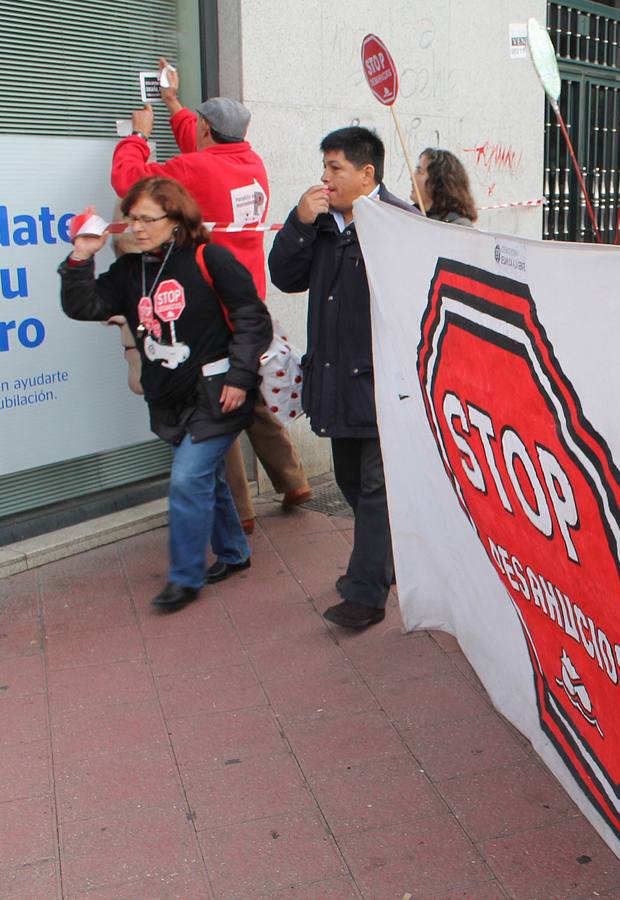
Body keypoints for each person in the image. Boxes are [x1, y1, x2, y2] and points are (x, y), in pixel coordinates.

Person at [110, 60, 311, 532]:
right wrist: (175, 104)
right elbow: (199, 151)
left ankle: (239, 513)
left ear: (205, 129)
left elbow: (130, 185)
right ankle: (292, 479)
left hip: (210, 308)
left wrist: (137, 137)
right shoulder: (250, 162)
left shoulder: (196, 168)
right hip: (249, 302)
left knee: (213, 407)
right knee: (254, 395)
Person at [60, 177, 271, 609]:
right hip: (169, 397)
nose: (136, 227)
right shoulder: (130, 270)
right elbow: (85, 306)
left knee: (187, 478)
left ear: (176, 220)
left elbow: (253, 317)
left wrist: (240, 376)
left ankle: (184, 578)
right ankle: (234, 553)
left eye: (147, 219)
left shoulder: (209, 257)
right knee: (205, 479)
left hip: (217, 393)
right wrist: (81, 256)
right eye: (131, 218)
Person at [268, 126, 418, 630]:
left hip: (382, 383)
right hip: (333, 380)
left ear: (367, 173)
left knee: (375, 487)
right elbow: (285, 277)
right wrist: (299, 222)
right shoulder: (321, 222)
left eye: (336, 168)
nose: (325, 179)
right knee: (354, 484)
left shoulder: (400, 221)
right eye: (325, 168)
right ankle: (384, 561)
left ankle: (365, 595)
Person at [414, 148, 478, 225]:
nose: (412, 177)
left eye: (419, 171)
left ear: (437, 182)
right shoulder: (410, 216)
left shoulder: (458, 227)